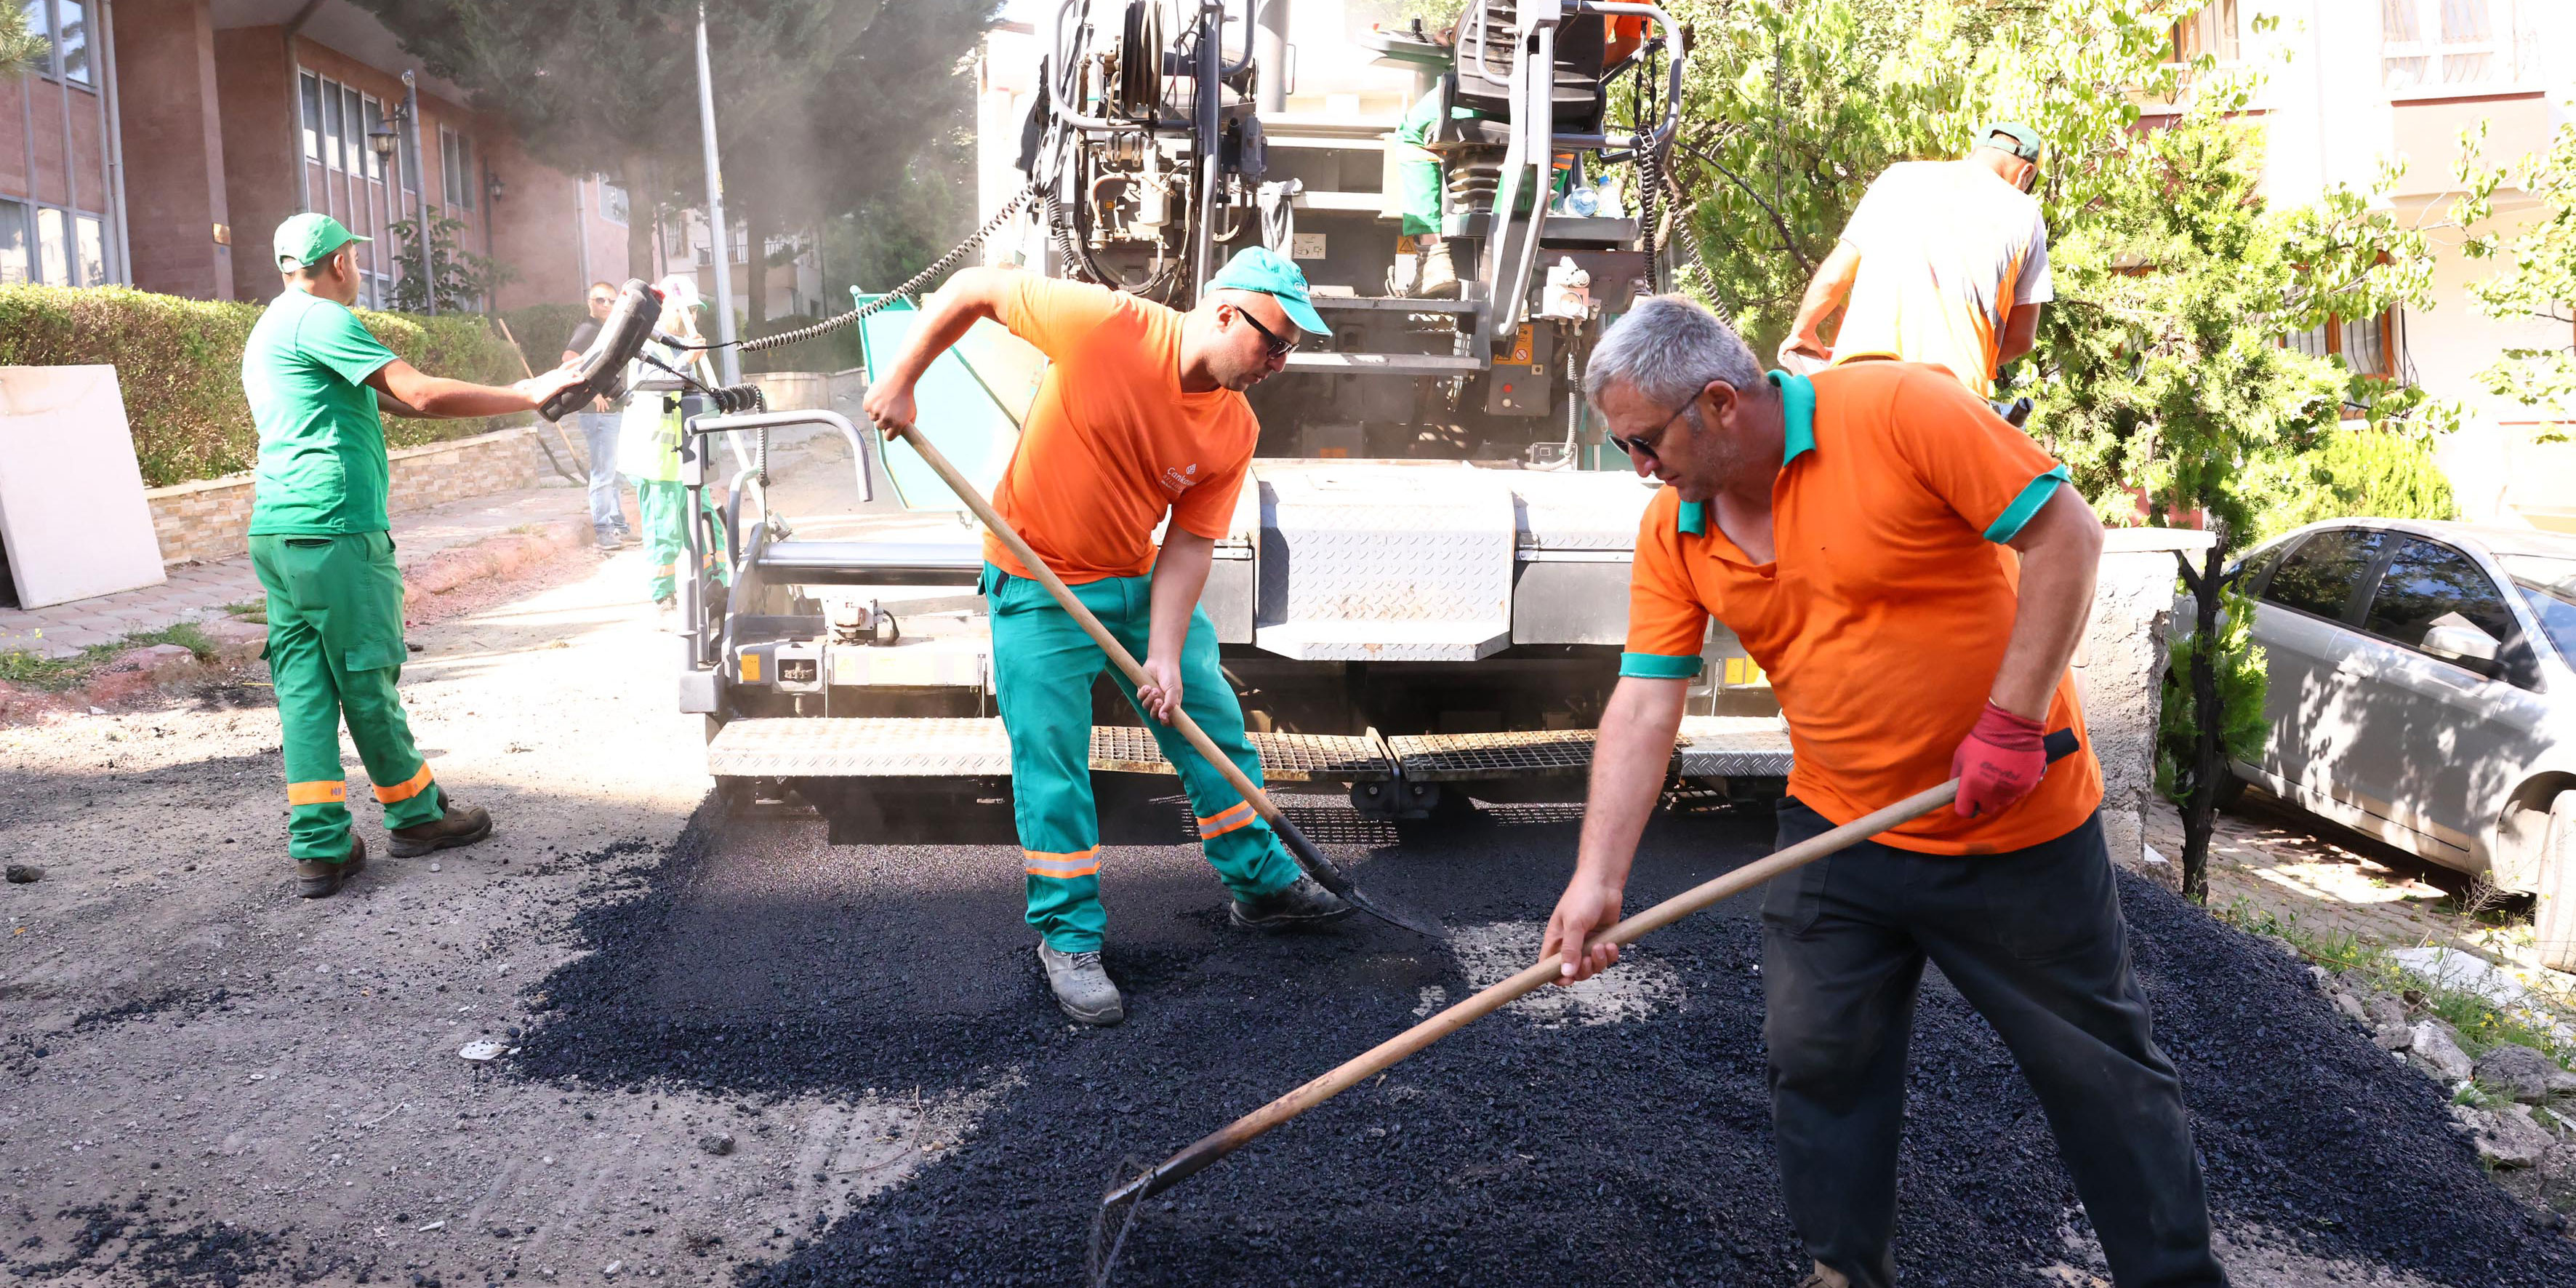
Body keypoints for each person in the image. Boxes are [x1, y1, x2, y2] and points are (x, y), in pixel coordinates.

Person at [1544, 297, 2226, 1288]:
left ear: (1720, 404)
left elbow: (2065, 538)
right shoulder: (1675, 529)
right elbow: (1646, 703)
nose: (1641, 470)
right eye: (1625, 449)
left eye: (1644, 444)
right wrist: (1597, 876)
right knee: (1814, 1051)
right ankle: (1841, 1267)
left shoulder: (1901, 411)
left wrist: (2010, 716)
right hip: (1837, 827)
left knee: (2097, 1075)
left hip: (2011, 828)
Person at [862, 247, 1353, 1025]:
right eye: (1276, 342)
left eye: (1291, 348)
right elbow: (971, 288)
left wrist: (1164, 652)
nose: (1281, 363)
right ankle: (1069, 938)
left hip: (1135, 577)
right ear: (1227, 313)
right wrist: (901, 379)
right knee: (1053, 759)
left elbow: (1189, 544)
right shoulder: (1105, 326)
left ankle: (1260, 886)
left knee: (1212, 725)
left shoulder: (1235, 429)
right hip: (1038, 578)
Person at [242, 213, 584, 898]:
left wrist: (527, 388)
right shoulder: (322, 318)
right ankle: (418, 817)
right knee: (367, 676)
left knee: (306, 690)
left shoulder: (273, 324)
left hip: (280, 533)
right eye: (355, 259)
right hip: (336, 529)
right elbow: (420, 390)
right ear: (340, 262)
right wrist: (525, 392)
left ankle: (318, 845)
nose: (358, 270)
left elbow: (402, 403)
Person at [1780, 122, 2052, 401]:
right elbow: (2022, 338)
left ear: (1977, 150)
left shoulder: (1898, 178)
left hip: (1864, 370)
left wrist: (1803, 331)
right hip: (1953, 391)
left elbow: (1835, 276)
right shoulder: (2026, 213)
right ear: (2026, 173)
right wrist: (1975, 363)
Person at [617, 274, 729, 620]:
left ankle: (720, 590)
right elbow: (653, 384)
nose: (693, 319)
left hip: (690, 459)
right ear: (665, 309)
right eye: (687, 311)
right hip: (657, 462)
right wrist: (687, 361)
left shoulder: (682, 346)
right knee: (663, 532)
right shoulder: (646, 345)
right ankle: (664, 600)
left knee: (708, 525)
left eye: (696, 312)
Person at [561, 281, 635, 552]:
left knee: (614, 473)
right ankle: (603, 530)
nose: (606, 305)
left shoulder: (610, 331)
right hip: (597, 414)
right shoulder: (588, 330)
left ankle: (617, 525)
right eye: (600, 300)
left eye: (611, 301)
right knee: (603, 474)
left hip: (614, 413)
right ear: (590, 304)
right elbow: (569, 358)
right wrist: (591, 393)